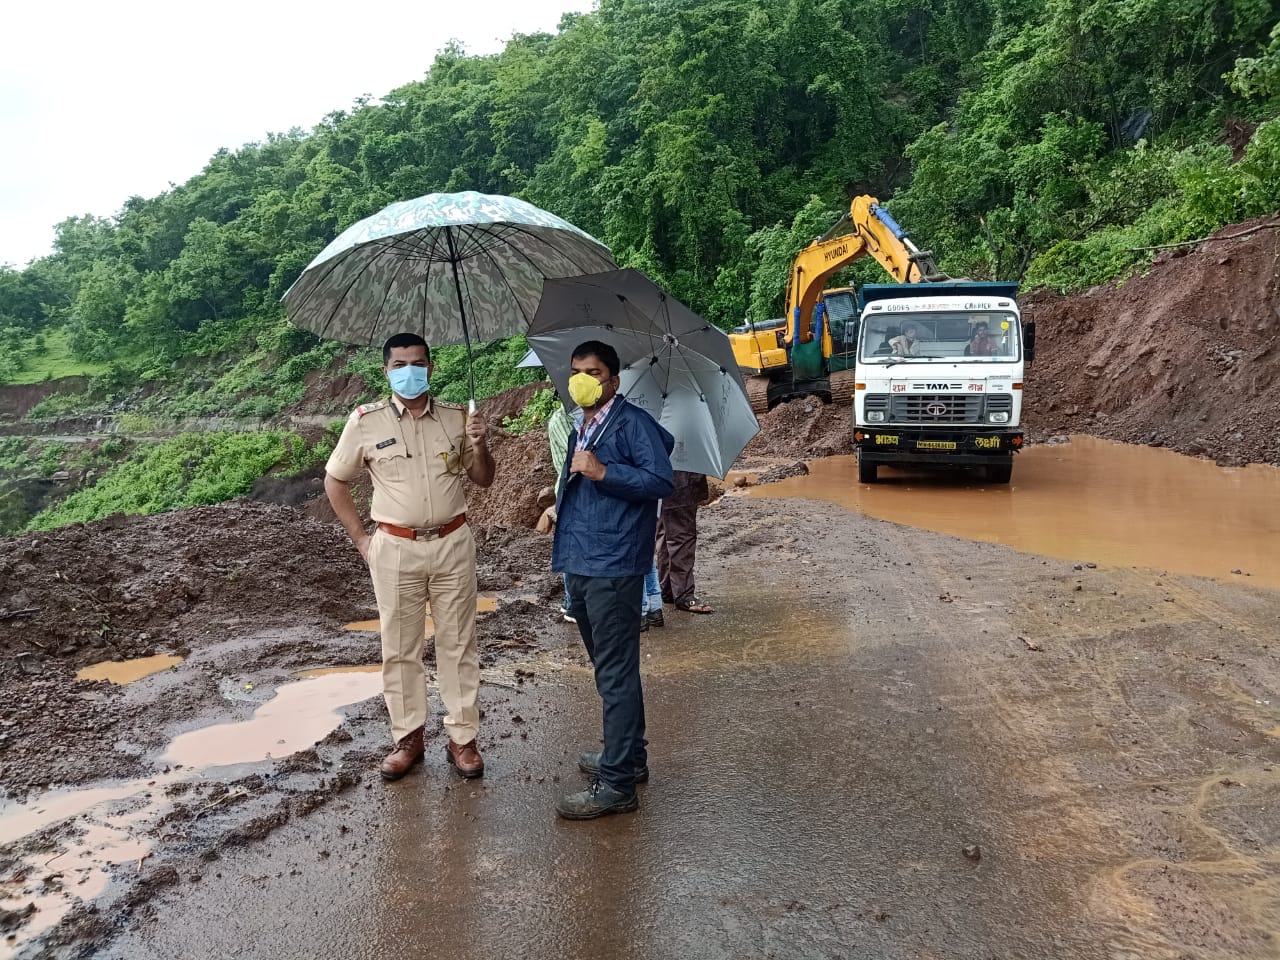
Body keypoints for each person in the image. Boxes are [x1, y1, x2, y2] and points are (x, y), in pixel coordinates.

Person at [324, 333, 495, 783]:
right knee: (400, 648)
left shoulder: (460, 418)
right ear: (386, 371)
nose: (409, 371)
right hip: (394, 547)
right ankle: (408, 739)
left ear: (431, 368)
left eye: (417, 363)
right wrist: (362, 540)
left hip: (453, 543)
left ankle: (463, 739)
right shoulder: (365, 421)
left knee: (458, 643)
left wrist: (480, 443)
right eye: (400, 364)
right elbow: (335, 482)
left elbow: (483, 480)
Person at [552, 340, 674, 820]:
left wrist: (604, 471)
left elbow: (660, 481)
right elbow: (580, 485)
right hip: (582, 562)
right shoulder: (582, 425)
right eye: (577, 370)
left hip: (614, 564)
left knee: (617, 673)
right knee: (609, 670)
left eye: (593, 372)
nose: (582, 378)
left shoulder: (632, 424)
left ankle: (618, 784)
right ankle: (629, 757)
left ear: (613, 381)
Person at [656, 471, 713, 614]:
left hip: (658, 475)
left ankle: (669, 589)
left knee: (664, 530)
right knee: (682, 533)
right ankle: (683, 593)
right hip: (680, 479)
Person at [546, 403, 576, 623]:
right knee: (571, 548)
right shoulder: (560, 420)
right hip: (570, 488)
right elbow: (573, 458)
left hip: (582, 487)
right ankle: (572, 604)